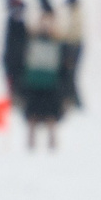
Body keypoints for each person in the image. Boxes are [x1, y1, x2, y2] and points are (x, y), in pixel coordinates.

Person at [21, 13, 66, 150]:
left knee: (51, 115)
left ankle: (52, 144)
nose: (45, 27)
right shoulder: (31, 40)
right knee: (32, 115)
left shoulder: (58, 42)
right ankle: (30, 144)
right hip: (34, 80)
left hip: (51, 82)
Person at [0, 0, 30, 113]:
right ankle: (15, 100)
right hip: (13, 56)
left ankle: (17, 100)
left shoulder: (16, 18)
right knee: (13, 80)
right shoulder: (15, 18)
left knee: (16, 80)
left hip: (16, 57)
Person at [58, 0, 86, 110]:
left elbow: (73, 33)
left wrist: (62, 38)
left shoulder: (76, 14)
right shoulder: (75, 13)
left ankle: (76, 102)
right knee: (69, 75)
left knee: (70, 75)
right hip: (73, 46)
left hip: (73, 46)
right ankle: (73, 101)